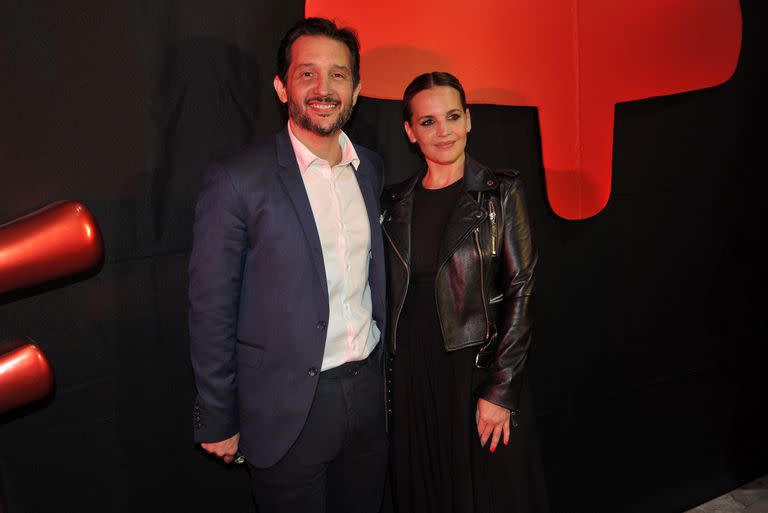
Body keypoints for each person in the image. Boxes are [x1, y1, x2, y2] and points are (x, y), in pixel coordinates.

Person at [188, 17, 388, 513]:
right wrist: (217, 416)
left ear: (357, 90)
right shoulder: (236, 180)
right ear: (282, 87)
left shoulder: (371, 169)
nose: (324, 88)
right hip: (285, 409)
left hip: (369, 397)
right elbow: (210, 308)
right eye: (307, 74)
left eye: (339, 75)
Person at [382, 72, 549, 513]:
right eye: (428, 121)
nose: (444, 131)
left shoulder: (501, 192)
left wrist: (500, 388)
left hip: (476, 368)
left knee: (490, 495)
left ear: (469, 120)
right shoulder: (393, 202)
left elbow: (522, 288)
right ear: (410, 131)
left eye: (453, 116)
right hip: (414, 372)